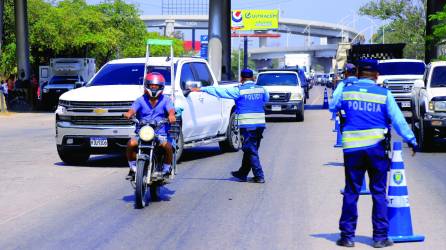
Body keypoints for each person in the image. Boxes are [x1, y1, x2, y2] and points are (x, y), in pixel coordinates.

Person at [330, 59, 418, 248]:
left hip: (352, 149)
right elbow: (399, 121)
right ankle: (379, 238)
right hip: (376, 149)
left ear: (358, 72)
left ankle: (347, 237)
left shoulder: (346, 90)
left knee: (351, 191)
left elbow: (333, 106)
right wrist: (411, 140)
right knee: (378, 192)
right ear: (377, 75)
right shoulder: (384, 94)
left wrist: (345, 83)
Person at [192, 68, 269, 183]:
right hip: (260, 125)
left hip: (247, 125)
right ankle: (242, 173)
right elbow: (266, 100)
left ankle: (259, 175)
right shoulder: (262, 89)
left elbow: (218, 91)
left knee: (251, 150)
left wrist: (201, 89)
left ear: (241, 79)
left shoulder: (239, 90)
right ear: (253, 78)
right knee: (251, 149)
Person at [123, 72, 176, 180]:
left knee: (168, 147)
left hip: (159, 133)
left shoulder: (166, 100)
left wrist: (171, 115)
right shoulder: (140, 100)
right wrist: (129, 114)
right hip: (143, 133)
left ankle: (166, 169)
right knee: (130, 144)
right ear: (147, 86)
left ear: (161, 87)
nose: (153, 88)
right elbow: (133, 109)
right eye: (151, 86)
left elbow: (171, 109)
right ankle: (133, 167)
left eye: (156, 86)